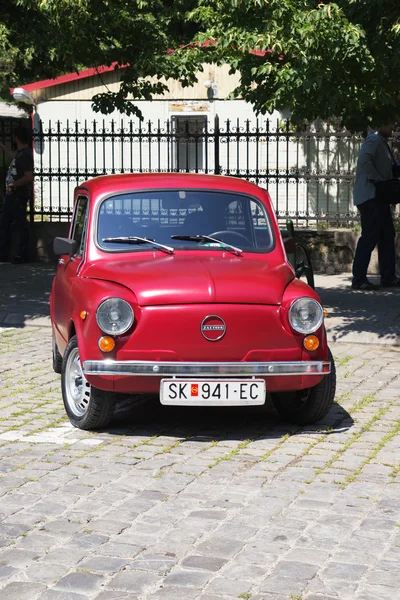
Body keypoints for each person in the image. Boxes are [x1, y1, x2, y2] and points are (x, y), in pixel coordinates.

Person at [352, 123, 400, 290]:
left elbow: (390, 168)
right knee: (370, 236)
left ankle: (388, 277)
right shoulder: (372, 140)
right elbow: (364, 162)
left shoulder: (381, 142)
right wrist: (378, 180)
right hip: (370, 196)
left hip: (379, 198)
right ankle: (358, 279)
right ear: (380, 125)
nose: (392, 127)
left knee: (387, 235)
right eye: (389, 124)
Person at [0, 126, 33, 264]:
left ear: (17, 138)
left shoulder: (25, 155)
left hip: (18, 194)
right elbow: (15, 157)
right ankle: (4, 253)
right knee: (5, 222)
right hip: (13, 194)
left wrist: (14, 184)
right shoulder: (21, 154)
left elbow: (28, 176)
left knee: (20, 224)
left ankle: (22, 254)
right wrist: (3, 147)